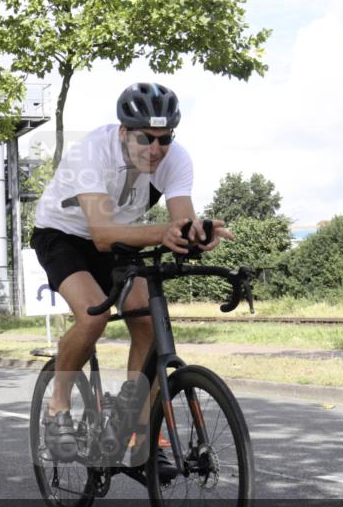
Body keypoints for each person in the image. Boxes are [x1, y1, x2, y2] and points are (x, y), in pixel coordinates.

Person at [29, 82, 234, 470]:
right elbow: (101, 234)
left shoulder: (175, 159)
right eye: (146, 138)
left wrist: (197, 234)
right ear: (124, 132)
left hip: (123, 238)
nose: (155, 149)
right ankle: (57, 406)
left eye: (165, 139)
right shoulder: (92, 151)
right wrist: (165, 232)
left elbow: (181, 221)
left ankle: (142, 433)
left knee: (148, 322)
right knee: (94, 317)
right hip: (66, 236)